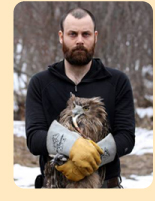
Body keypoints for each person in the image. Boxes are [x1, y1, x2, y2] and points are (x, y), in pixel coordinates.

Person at [26, 7, 135, 188]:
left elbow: (126, 138)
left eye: (86, 34)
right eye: (72, 34)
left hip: (105, 188)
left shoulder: (117, 82)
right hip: (54, 188)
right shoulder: (40, 83)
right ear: (61, 36)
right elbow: (34, 139)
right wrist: (72, 146)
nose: (79, 40)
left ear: (95, 37)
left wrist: (89, 159)